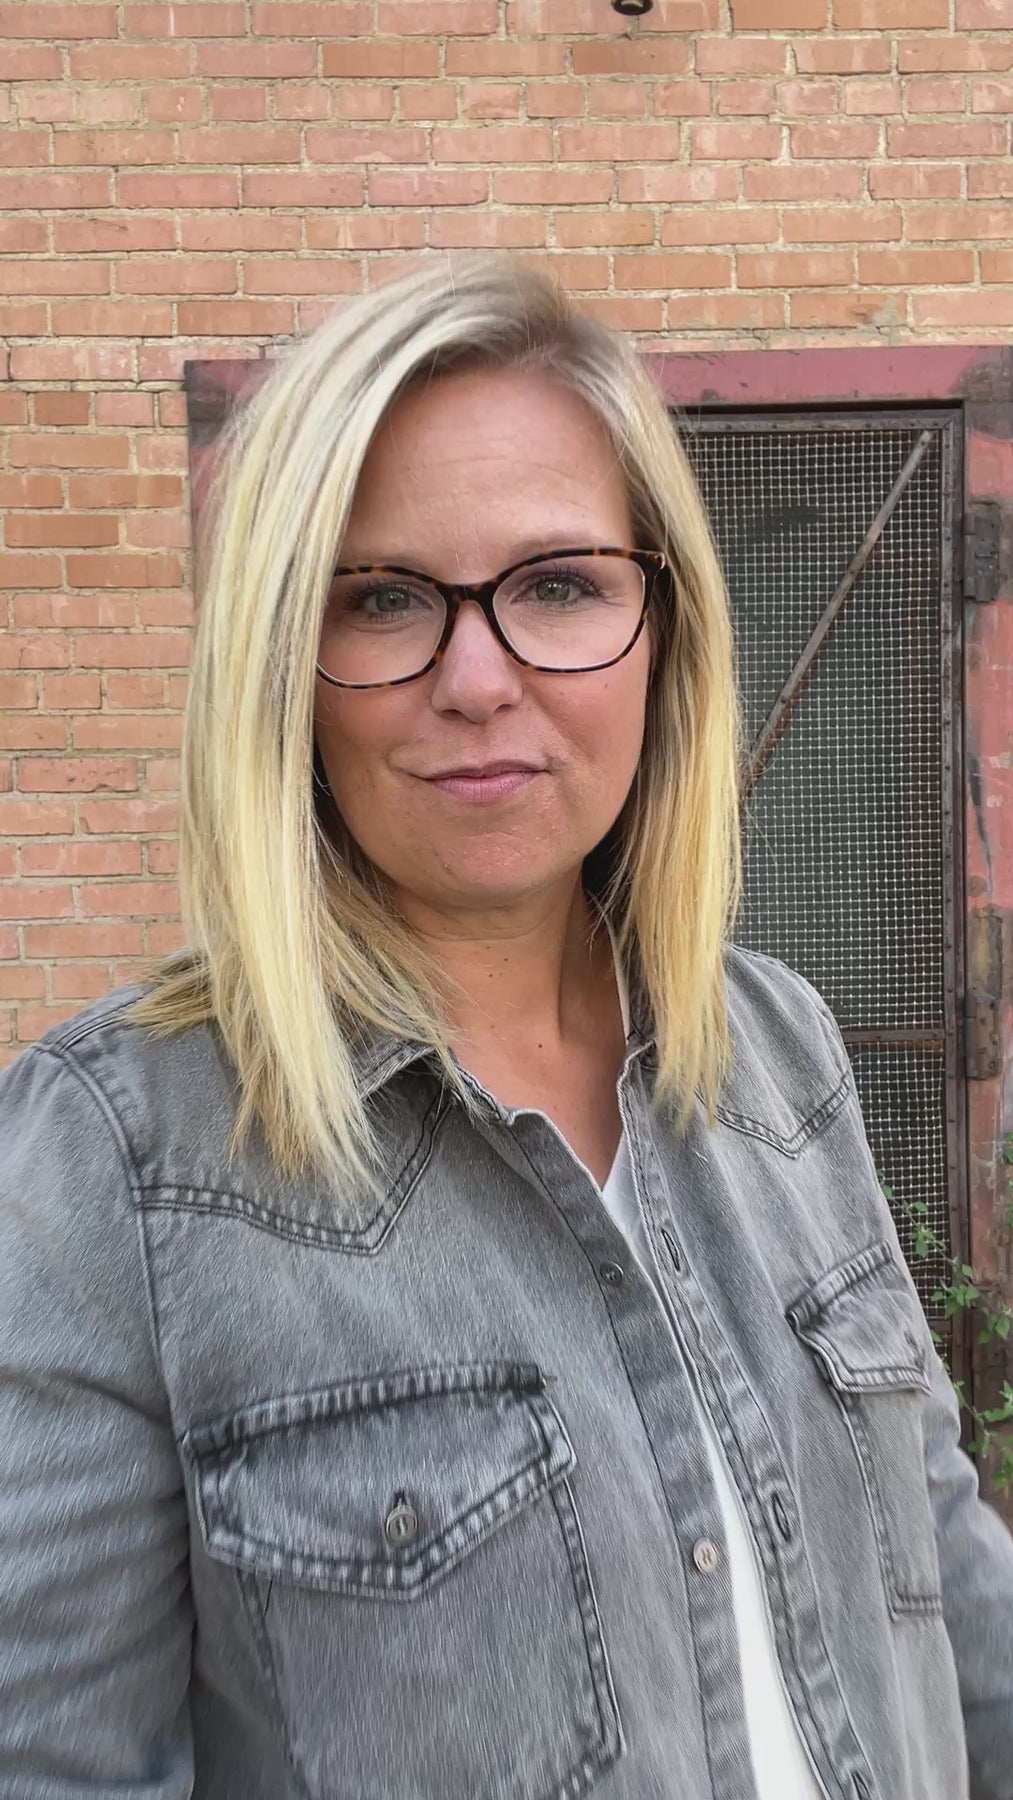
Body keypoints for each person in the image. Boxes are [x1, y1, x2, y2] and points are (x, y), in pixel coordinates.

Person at [1, 253, 1011, 1800]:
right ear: (281, 664)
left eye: (556, 585)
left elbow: (937, 1564)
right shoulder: (109, 1162)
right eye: (382, 598)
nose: (476, 680)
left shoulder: (777, 1047)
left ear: (661, 624)